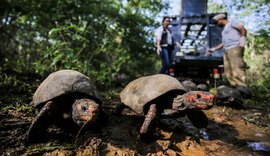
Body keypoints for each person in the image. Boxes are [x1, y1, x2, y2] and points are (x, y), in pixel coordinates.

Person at [208, 13, 252, 98]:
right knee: (228, 70)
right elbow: (224, 43)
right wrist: (214, 49)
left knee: (237, 67)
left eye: (217, 21)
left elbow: (242, 29)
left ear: (221, 19)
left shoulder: (232, 22)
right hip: (227, 49)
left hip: (235, 47)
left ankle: (242, 89)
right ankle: (235, 89)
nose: (217, 23)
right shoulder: (225, 29)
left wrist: (243, 38)